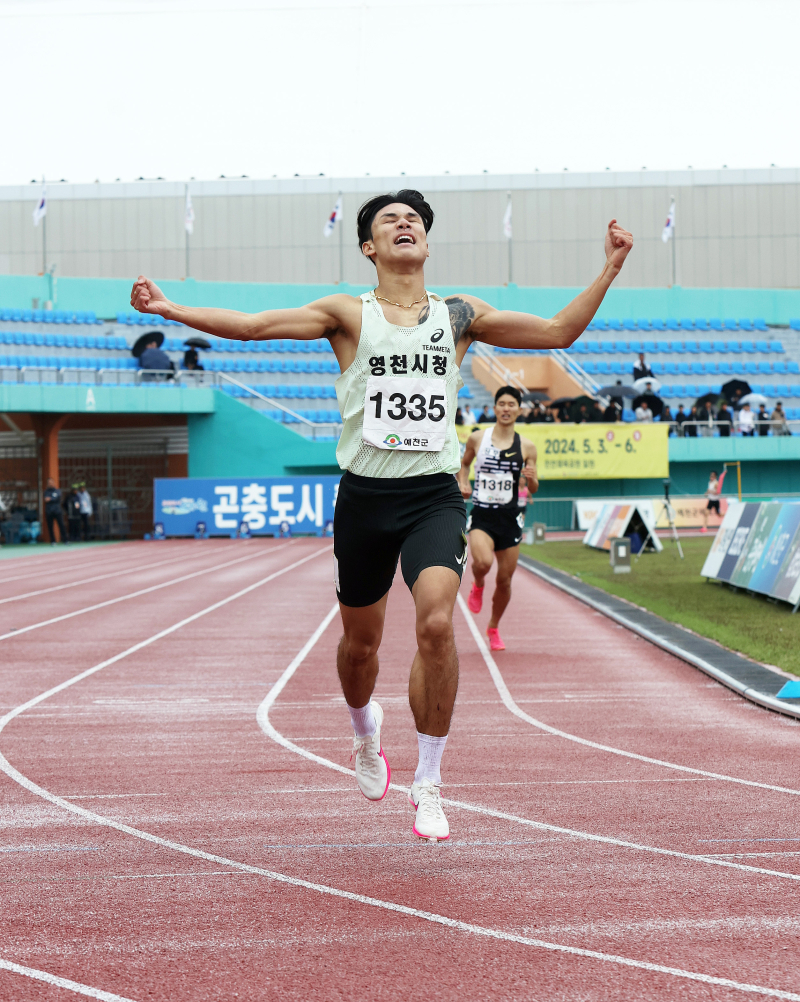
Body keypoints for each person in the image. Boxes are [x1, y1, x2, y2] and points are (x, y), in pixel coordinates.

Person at [130, 190, 633, 842]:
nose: (405, 224)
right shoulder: (348, 313)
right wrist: (171, 309)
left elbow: (559, 333)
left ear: (426, 241)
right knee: (359, 647)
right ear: (369, 246)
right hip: (365, 499)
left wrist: (610, 267)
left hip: (433, 496)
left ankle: (429, 780)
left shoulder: (459, 315)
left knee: (434, 623)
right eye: (390, 220)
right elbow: (253, 326)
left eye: (415, 219)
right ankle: (365, 730)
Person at [458, 386, 538, 651]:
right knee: (482, 562)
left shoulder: (527, 446)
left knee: (505, 579)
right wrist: (463, 482)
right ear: (494, 408)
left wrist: (532, 479)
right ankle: (478, 583)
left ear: (519, 409)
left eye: (511, 404)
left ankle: (493, 627)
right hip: (482, 514)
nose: (506, 408)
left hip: (510, 517)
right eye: (501, 404)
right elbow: (464, 464)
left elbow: (533, 486)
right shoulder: (478, 439)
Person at [43, 478, 68, 545]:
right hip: (49, 511)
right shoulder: (46, 492)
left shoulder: (58, 491)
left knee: (61, 525)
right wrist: (52, 498)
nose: (50, 484)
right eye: (49, 483)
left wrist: (50, 498)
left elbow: (57, 498)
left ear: (54, 483)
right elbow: (46, 499)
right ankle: (53, 541)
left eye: (51, 482)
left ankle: (65, 540)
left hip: (57, 511)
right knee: (50, 527)